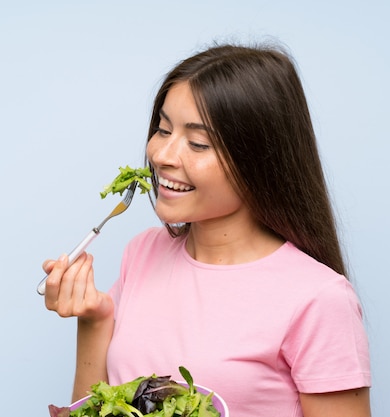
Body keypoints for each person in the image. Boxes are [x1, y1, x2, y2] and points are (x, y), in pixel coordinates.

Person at [42, 42, 372, 417]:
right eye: (163, 130)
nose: (163, 156)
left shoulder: (319, 299)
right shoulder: (143, 252)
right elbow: (94, 409)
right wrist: (95, 319)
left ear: (260, 160)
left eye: (198, 143)